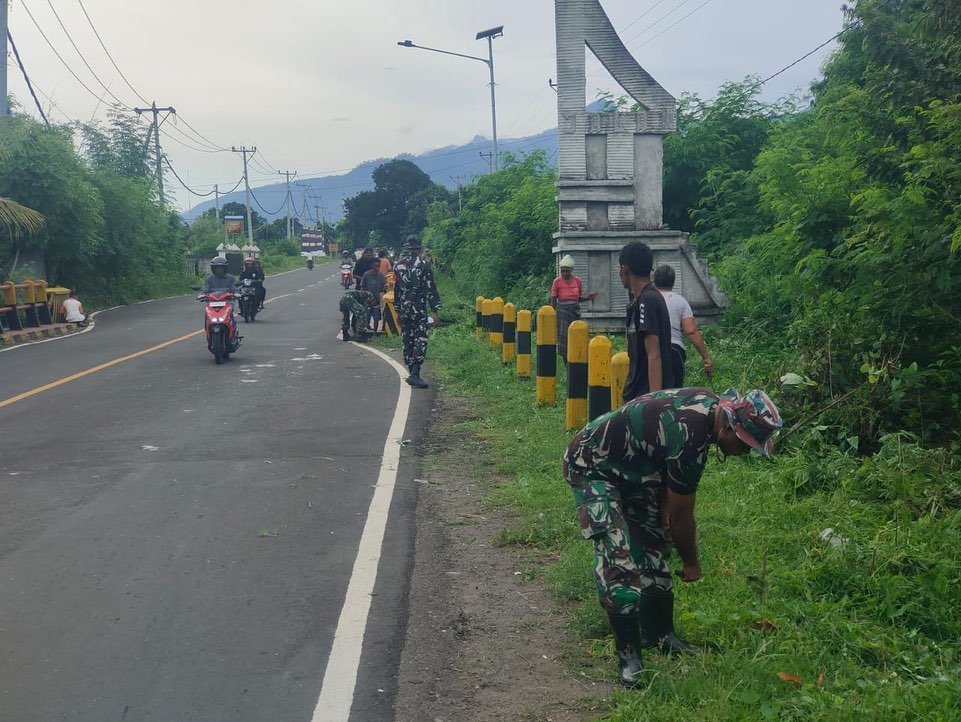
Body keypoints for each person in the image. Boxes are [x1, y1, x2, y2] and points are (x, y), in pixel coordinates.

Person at [564, 387, 783, 687]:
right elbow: (682, 519)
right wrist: (692, 563)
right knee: (617, 554)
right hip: (592, 465)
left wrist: (665, 502)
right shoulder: (691, 437)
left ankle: (660, 635)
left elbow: (662, 452)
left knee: (654, 542)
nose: (745, 452)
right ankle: (629, 656)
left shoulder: (708, 407)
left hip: (635, 467)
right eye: (745, 444)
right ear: (728, 428)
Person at [619, 242, 673, 401]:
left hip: (644, 397)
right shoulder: (639, 300)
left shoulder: (647, 300)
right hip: (635, 393)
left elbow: (653, 354)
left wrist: (653, 402)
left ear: (625, 269)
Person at [653, 265, 713, 387]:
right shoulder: (680, 301)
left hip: (651, 350)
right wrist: (706, 357)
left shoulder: (647, 300)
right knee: (673, 392)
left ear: (654, 280)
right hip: (674, 350)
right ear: (673, 282)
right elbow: (691, 331)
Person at [394, 235, 441, 389]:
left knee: (407, 338)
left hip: (404, 309)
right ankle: (415, 373)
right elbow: (430, 288)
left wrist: (397, 310)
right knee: (420, 338)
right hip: (418, 308)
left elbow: (397, 290)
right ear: (420, 248)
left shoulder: (398, 266)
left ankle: (412, 372)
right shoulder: (423, 265)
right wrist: (435, 310)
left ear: (407, 248)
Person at [550, 255, 598, 360]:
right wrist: (552, 314)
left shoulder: (577, 281)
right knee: (564, 337)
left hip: (575, 312)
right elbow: (553, 299)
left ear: (571, 270)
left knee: (576, 335)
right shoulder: (557, 281)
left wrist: (589, 298)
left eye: (567, 271)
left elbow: (578, 298)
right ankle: (565, 360)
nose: (564, 274)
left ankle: (576, 357)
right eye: (562, 271)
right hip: (562, 312)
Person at [361, 262, 388, 333]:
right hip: (367, 300)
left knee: (376, 317)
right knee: (366, 316)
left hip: (376, 300)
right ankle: (364, 329)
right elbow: (363, 287)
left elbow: (384, 286)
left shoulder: (381, 275)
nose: (377, 268)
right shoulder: (366, 275)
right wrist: (365, 297)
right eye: (376, 266)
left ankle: (375, 332)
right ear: (372, 266)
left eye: (378, 266)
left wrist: (385, 288)